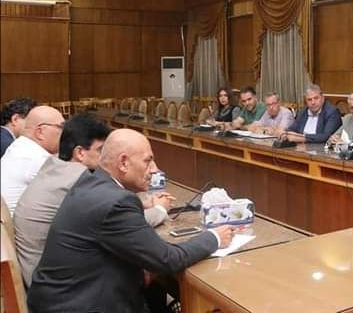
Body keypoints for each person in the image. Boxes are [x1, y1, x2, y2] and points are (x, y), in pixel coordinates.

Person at [28, 128, 235, 313]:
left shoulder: (91, 181)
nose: (154, 169)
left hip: (62, 297)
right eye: (147, 161)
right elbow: (168, 259)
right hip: (80, 304)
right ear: (123, 163)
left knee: (155, 290)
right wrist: (214, 237)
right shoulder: (116, 202)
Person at [13, 113, 174, 287]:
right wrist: (159, 210)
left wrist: (142, 203)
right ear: (80, 152)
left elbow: (100, 212)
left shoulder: (55, 165)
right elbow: (124, 222)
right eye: (100, 151)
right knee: (146, 266)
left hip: (44, 272)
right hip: (59, 283)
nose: (106, 156)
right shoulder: (79, 180)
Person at [1, 105, 65, 214]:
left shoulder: (20, 146)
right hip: (18, 224)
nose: (65, 133)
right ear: (40, 132)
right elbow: (68, 195)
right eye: (61, 127)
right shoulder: (36, 158)